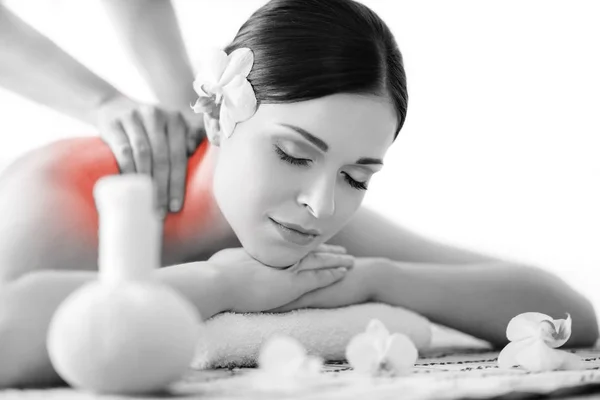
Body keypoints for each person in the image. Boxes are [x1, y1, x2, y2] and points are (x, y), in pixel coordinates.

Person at [0, 0, 597, 388]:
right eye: (292, 154)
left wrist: (376, 278)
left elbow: (566, 313)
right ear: (216, 119)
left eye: (357, 176)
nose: (324, 205)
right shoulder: (70, 206)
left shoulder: (305, 221)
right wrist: (219, 285)